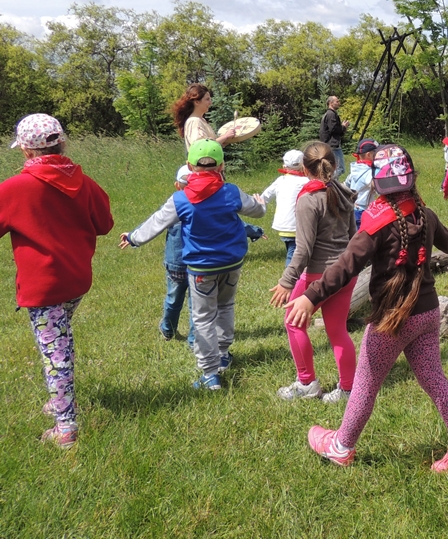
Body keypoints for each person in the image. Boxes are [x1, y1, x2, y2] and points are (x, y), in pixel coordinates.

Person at [285, 145, 448, 471]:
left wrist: (311, 296)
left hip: (392, 321)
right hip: (427, 313)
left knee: (364, 386)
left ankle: (341, 447)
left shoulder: (377, 225)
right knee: (435, 380)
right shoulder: (426, 215)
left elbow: (345, 266)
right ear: (413, 177)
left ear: (377, 183)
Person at [0, 114, 114, 448]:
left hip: (43, 287)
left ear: (26, 150)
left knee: (55, 353)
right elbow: (105, 224)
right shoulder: (85, 183)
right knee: (60, 339)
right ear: (62, 143)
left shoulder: (14, 188)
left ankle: (66, 427)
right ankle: (59, 399)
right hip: (76, 280)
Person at [121, 139, 266, 390]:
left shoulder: (181, 199)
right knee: (225, 307)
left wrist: (133, 238)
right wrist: (260, 203)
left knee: (203, 318)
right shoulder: (231, 192)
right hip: (232, 263)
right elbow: (257, 211)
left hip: (202, 268)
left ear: (189, 166)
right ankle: (223, 355)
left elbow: (157, 222)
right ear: (221, 166)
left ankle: (210, 374)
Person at [269, 143, 358, 403]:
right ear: (334, 165)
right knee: (338, 330)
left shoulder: (309, 199)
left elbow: (304, 249)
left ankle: (306, 383)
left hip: (318, 276)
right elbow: (353, 237)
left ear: (304, 169)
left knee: (293, 322)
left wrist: (287, 281)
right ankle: (348, 389)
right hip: (345, 273)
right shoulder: (343, 192)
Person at [160, 165, 195, 345]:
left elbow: (154, 224)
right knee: (193, 304)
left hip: (180, 263)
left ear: (176, 185)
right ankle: (174, 331)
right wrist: (254, 231)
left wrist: (133, 237)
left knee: (174, 300)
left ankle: (171, 331)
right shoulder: (202, 204)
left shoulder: (172, 205)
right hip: (191, 263)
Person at [260, 150, 310, 268]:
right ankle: (290, 276)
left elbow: (264, 197)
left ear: (284, 166)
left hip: (283, 225)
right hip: (299, 225)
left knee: (293, 250)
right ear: (304, 166)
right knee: (294, 254)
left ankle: (297, 272)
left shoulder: (280, 181)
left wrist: (255, 203)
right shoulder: (306, 181)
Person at [171, 83, 235, 151]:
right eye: (207, 99)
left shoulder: (201, 120)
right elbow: (202, 148)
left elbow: (210, 145)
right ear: (197, 102)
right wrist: (225, 136)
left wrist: (225, 140)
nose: (210, 102)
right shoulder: (194, 121)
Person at [344, 138, 379, 229]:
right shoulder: (368, 173)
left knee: (354, 232)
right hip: (363, 210)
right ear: (369, 155)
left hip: (354, 207)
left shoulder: (356, 168)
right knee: (363, 233)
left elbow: (346, 184)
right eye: (376, 152)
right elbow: (378, 188)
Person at [319, 96, 350, 178]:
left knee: (335, 168)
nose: (339, 103)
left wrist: (343, 129)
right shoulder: (331, 114)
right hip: (333, 145)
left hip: (330, 144)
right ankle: (329, 181)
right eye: (337, 101)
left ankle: (333, 184)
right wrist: (343, 127)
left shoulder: (329, 114)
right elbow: (333, 129)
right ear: (331, 103)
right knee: (340, 168)